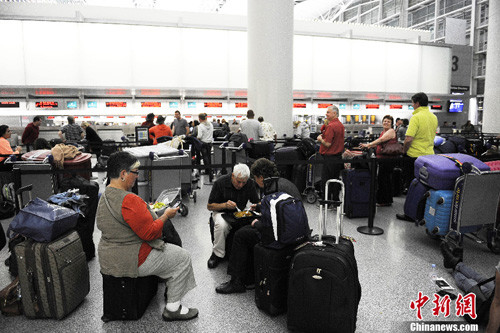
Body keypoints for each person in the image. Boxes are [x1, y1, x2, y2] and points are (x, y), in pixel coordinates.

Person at [96, 151, 198, 321]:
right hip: (131, 259)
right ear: (123, 174)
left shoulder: (105, 194)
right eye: (135, 172)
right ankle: (173, 308)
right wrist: (165, 215)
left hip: (109, 256)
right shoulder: (129, 199)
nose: (137, 176)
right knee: (182, 258)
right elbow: (151, 233)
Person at [215, 158, 301, 294]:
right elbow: (281, 208)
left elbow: (271, 225)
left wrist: (258, 224)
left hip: (280, 237)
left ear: (261, 177)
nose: (255, 182)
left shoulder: (270, 190)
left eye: (255, 178)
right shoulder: (284, 183)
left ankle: (236, 281)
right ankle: (249, 276)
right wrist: (261, 206)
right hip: (296, 234)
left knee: (241, 235)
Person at [206, 163, 259, 269]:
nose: (241, 185)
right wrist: (225, 205)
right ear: (232, 176)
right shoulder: (220, 183)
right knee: (221, 225)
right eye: (238, 182)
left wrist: (256, 206)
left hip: (239, 213)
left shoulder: (249, 183)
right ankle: (217, 254)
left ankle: (245, 254)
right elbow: (210, 206)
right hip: (222, 212)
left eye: (243, 182)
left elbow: (256, 201)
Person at [397, 92, 438, 221]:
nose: (412, 105)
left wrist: (404, 150)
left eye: (413, 103)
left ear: (417, 103)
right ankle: (422, 213)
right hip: (430, 156)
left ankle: (410, 213)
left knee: (412, 185)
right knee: (425, 186)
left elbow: (409, 139)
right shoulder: (433, 117)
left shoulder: (416, 117)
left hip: (415, 157)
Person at [359, 115, 398, 207]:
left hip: (388, 159)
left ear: (391, 124)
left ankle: (384, 200)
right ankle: (385, 199)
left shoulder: (391, 131)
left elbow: (381, 140)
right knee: (382, 179)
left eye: (388, 121)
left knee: (384, 179)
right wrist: (367, 146)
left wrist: (368, 145)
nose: (386, 123)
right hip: (382, 159)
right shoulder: (383, 132)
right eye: (384, 121)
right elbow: (379, 143)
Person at [317, 105, 345, 202]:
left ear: (334, 113)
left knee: (326, 181)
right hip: (337, 157)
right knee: (335, 180)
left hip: (329, 157)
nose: (326, 114)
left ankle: (327, 201)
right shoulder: (340, 125)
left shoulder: (332, 126)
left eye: (328, 112)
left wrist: (320, 139)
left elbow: (327, 143)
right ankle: (335, 200)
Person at [197, 113, 214, 181]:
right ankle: (209, 171)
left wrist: (196, 138)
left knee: (205, 157)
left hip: (203, 144)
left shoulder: (200, 126)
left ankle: (209, 172)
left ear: (200, 118)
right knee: (209, 157)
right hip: (209, 143)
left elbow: (199, 136)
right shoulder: (210, 124)